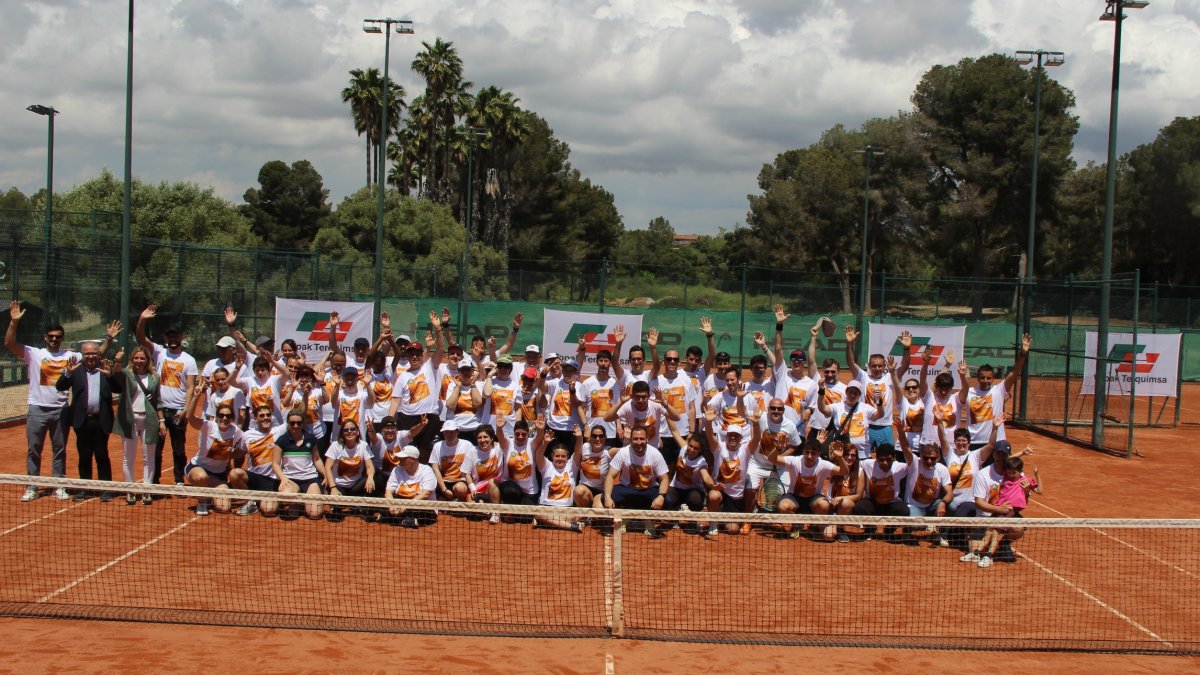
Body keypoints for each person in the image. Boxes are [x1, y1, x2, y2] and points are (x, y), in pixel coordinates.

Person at [7, 300, 81, 501]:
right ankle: (32, 486)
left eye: (58, 337)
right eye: (51, 337)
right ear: (45, 338)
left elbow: (94, 355)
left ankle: (59, 485)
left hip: (61, 410)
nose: (54, 339)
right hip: (37, 409)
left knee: (60, 450)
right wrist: (14, 323)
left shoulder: (72, 355)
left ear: (62, 338)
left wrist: (109, 339)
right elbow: (10, 344)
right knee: (34, 450)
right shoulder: (34, 353)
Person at [135, 304, 198, 487]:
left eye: (175, 336)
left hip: (178, 411)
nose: (172, 339)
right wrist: (142, 319)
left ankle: (179, 480)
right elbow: (141, 337)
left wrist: (186, 409)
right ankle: (154, 480)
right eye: (169, 336)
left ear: (181, 338)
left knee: (178, 449)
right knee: (155, 449)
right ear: (165, 338)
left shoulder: (189, 360)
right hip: (158, 411)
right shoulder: (158, 352)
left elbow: (190, 387)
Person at [56, 341, 124, 502]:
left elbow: (119, 388)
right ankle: (85, 489)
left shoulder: (105, 368)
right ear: (82, 355)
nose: (91, 356)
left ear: (99, 354)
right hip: (82, 420)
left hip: (101, 420)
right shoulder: (75, 369)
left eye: (94, 353)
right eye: (87, 354)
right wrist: (67, 373)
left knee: (102, 455)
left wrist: (111, 375)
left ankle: (105, 489)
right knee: (84, 456)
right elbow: (60, 386)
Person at [963, 447, 1040, 569]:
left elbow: (1038, 491)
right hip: (988, 515)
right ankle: (975, 553)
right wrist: (1022, 453)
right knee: (990, 531)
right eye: (998, 455)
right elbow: (978, 502)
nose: (1000, 458)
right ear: (994, 455)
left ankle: (991, 554)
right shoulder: (989, 474)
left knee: (997, 531)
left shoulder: (1019, 477)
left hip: (1008, 510)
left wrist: (1034, 478)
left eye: (1003, 455)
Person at [770, 435, 849, 541]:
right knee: (783, 507)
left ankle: (814, 525)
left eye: (813, 453)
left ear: (818, 454)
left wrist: (839, 457)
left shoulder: (823, 465)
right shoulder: (794, 461)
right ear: (803, 451)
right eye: (807, 452)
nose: (809, 456)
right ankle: (797, 523)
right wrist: (778, 449)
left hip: (814, 499)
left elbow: (844, 471)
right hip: (795, 498)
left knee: (824, 507)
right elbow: (771, 458)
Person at [112, 345, 165, 505]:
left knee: (148, 458)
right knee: (129, 457)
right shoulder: (127, 374)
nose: (139, 361)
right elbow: (116, 375)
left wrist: (161, 421)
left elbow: (158, 401)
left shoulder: (155, 377)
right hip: (129, 420)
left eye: (142, 358)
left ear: (147, 360)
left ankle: (147, 490)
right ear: (132, 359)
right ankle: (131, 490)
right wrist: (117, 362)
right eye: (136, 358)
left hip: (149, 421)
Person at [844, 327, 910, 453]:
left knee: (887, 458)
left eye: (880, 366)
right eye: (874, 366)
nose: (877, 368)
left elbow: (905, 365)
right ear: (868, 366)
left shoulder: (890, 377)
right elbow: (851, 361)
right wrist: (849, 344)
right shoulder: (863, 377)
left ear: (884, 366)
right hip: (866, 424)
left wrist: (906, 349)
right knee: (863, 457)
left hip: (885, 426)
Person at [959, 333, 1031, 448]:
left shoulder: (999, 390)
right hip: (972, 441)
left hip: (996, 440)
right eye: (982, 378)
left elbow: (1014, 372)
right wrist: (962, 376)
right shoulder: (970, 392)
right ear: (977, 379)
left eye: (988, 378)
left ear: (993, 379)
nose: (985, 380)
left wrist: (1023, 354)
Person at [185, 379, 245, 515]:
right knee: (201, 478)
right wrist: (196, 396)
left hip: (217, 476)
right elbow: (190, 418)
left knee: (224, 508)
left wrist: (234, 452)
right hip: (198, 468)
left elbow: (242, 452)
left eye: (228, 416)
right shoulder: (209, 426)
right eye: (221, 415)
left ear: (232, 418)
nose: (224, 418)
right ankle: (202, 501)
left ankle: (209, 493)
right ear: (217, 417)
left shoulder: (236, 432)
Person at [604, 427, 673, 537]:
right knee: (606, 496)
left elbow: (664, 478)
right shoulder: (623, 452)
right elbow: (610, 476)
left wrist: (661, 496)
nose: (639, 442)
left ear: (647, 439)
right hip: (627, 490)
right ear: (631, 440)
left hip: (649, 491)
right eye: (635, 439)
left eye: (642, 439)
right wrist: (607, 496)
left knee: (667, 499)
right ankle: (623, 516)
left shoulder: (655, 454)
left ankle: (649, 519)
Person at [702, 409, 762, 536]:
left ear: (741, 438)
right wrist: (708, 423)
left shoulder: (745, 450)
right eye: (730, 435)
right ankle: (713, 523)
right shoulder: (718, 447)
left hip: (735, 497)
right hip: (719, 492)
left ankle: (723, 519)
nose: (733, 437)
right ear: (726, 436)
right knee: (713, 496)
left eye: (736, 435)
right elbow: (709, 436)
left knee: (733, 530)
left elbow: (756, 439)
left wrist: (756, 425)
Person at [272, 402, 327, 520]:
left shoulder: (310, 439)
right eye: (292, 423)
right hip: (291, 480)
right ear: (288, 423)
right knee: (286, 498)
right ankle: (297, 502)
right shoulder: (282, 441)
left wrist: (325, 475)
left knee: (315, 514)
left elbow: (316, 459)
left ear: (303, 424)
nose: (295, 426)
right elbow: (275, 464)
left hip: (310, 479)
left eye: (299, 423)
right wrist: (283, 478)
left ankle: (305, 501)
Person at [576, 326, 628, 445]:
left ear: (610, 363)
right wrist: (586, 427)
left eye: (606, 361)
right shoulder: (587, 383)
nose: (603, 364)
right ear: (596, 362)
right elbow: (581, 407)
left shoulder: (614, 384)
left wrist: (619, 426)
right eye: (601, 361)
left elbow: (617, 408)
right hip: (592, 432)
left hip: (610, 433)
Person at [771, 305, 818, 434]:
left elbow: (812, 406)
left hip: (797, 432)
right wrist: (779, 325)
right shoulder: (783, 374)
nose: (796, 363)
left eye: (800, 360)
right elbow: (778, 348)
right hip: (776, 429)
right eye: (793, 360)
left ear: (805, 363)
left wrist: (809, 411)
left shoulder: (811, 384)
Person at [239, 405, 288, 516]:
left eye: (268, 415)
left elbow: (299, 413)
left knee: (268, 511)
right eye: (261, 415)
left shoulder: (279, 430)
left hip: (272, 479)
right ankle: (250, 501)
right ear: (255, 419)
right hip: (254, 477)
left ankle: (266, 500)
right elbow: (240, 452)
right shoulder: (247, 435)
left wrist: (304, 394)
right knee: (235, 474)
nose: (266, 417)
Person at [817, 381, 883, 460]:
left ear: (859, 395)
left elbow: (879, 415)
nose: (852, 395)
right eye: (850, 392)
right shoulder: (837, 407)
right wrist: (821, 392)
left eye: (855, 393)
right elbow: (823, 409)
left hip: (863, 454)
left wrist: (879, 403)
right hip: (843, 454)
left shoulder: (865, 407)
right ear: (846, 392)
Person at [322, 423, 376, 520]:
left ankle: (364, 507)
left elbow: (369, 466)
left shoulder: (363, 445)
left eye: (353, 429)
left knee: (376, 478)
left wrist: (370, 477)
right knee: (336, 519)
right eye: (346, 430)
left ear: (358, 431)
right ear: (342, 433)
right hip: (338, 486)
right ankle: (337, 506)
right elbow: (327, 467)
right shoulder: (335, 445)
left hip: (356, 486)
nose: (349, 432)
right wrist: (333, 487)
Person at [664, 416, 713, 514]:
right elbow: (674, 431)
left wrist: (713, 485)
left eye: (696, 448)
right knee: (667, 497)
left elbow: (706, 477)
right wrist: (666, 414)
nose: (692, 450)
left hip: (693, 490)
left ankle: (692, 523)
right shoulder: (683, 448)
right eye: (690, 446)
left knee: (695, 500)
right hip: (676, 488)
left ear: (700, 450)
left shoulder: (701, 461)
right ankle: (674, 521)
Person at [534, 438, 584, 532]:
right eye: (557, 456)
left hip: (566, 510)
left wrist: (579, 437)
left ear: (567, 457)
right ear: (552, 456)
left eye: (563, 456)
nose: (560, 459)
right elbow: (538, 455)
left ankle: (545, 522)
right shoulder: (547, 466)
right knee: (538, 512)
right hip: (547, 508)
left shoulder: (572, 466)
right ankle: (571, 526)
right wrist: (545, 442)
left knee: (578, 515)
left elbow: (578, 450)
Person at [383, 445, 437, 528]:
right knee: (382, 506)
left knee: (425, 514)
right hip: (401, 503)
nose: (399, 459)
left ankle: (399, 519)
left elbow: (425, 494)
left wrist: (407, 506)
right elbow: (388, 491)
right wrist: (391, 505)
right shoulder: (396, 469)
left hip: (420, 505)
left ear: (412, 459)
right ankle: (406, 520)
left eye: (403, 458)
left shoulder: (427, 470)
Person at [853, 443, 909, 519]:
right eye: (881, 460)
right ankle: (871, 528)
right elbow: (855, 464)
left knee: (903, 510)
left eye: (888, 459)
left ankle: (889, 530)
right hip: (873, 503)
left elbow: (914, 466)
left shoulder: (900, 467)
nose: (885, 463)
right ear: (876, 459)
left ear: (894, 458)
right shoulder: (868, 464)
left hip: (892, 503)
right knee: (860, 507)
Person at [497, 418, 546, 506]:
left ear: (528, 434)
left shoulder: (532, 443)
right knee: (510, 491)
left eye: (523, 434)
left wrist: (541, 430)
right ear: (514, 433)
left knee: (526, 519)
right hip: (511, 488)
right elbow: (500, 436)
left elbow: (539, 438)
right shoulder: (508, 443)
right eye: (517, 434)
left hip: (529, 490)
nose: (520, 436)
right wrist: (499, 428)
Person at [429, 420, 477, 502]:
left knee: (460, 489)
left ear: (457, 432)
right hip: (443, 481)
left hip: (461, 481)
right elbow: (435, 468)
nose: (449, 434)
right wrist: (444, 489)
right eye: (446, 432)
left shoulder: (467, 445)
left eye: (452, 432)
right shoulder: (437, 446)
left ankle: (461, 501)